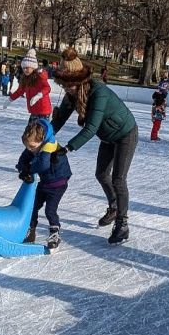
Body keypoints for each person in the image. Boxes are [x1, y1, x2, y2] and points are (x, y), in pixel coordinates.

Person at [53, 47, 138, 245]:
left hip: (126, 134)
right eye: (64, 85)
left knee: (118, 179)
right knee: (101, 174)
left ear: (79, 82)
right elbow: (60, 120)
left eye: (69, 85)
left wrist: (67, 148)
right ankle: (114, 206)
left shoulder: (99, 93)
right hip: (108, 137)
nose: (66, 89)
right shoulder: (72, 95)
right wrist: (44, 137)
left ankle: (122, 224)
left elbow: (91, 128)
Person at [16, 118, 72, 250]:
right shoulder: (34, 144)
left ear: (42, 141)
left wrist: (29, 170)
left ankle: (54, 234)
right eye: (27, 146)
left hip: (58, 184)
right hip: (45, 183)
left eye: (32, 147)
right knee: (32, 207)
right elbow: (24, 158)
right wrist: (23, 169)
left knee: (50, 210)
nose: (30, 149)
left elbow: (43, 165)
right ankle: (30, 231)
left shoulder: (49, 146)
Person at [4, 48, 52, 121]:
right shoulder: (25, 79)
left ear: (33, 67)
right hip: (33, 110)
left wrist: (38, 96)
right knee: (29, 131)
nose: (25, 70)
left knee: (39, 132)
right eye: (24, 68)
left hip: (43, 111)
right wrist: (10, 99)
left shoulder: (40, 77)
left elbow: (47, 88)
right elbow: (19, 91)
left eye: (27, 68)